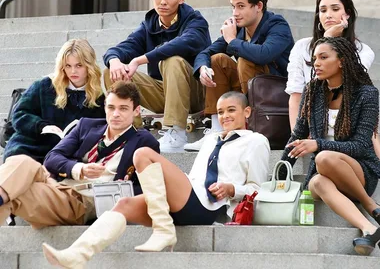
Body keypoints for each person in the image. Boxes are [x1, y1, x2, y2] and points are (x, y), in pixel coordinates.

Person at [42, 91, 270, 268]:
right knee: (123, 205)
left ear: (247, 112)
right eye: (220, 112)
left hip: (209, 204)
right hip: (186, 195)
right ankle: (77, 256)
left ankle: (164, 230)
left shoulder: (256, 141)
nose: (224, 116)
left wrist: (232, 189)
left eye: (231, 110)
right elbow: (195, 176)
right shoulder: (210, 140)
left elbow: (258, 189)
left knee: (142, 154)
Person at [0, 81, 159, 228]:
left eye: (123, 108)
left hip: (82, 202)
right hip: (58, 185)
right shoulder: (86, 126)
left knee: (13, 196)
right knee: (21, 161)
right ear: (104, 107)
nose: (115, 114)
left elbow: (148, 188)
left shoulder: (144, 141)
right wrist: (79, 168)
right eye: (111, 107)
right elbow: (51, 158)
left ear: (136, 111)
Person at [281, 37, 380, 256]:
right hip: (323, 172)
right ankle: (370, 227)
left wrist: (318, 144)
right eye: (315, 58)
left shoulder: (367, 94)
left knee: (324, 157)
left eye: (324, 57)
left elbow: (362, 146)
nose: (316, 63)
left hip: (358, 171)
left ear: (342, 61)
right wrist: (279, 173)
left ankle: (369, 203)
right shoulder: (312, 91)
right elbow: (297, 136)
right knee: (316, 180)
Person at [103, 0, 211, 152]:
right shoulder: (149, 25)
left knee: (172, 60)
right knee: (112, 72)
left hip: (196, 92)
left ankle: (176, 132)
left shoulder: (195, 21)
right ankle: (130, 132)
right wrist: (114, 60)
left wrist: (140, 60)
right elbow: (123, 47)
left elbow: (180, 44)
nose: (163, 1)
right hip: (164, 93)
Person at [184, 0, 294, 151]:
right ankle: (216, 130)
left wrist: (232, 40)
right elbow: (206, 52)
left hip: (273, 96)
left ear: (258, 6)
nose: (235, 13)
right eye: (233, 6)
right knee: (217, 60)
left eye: (241, 6)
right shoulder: (239, 29)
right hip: (247, 91)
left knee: (245, 60)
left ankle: (248, 125)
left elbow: (264, 55)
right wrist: (203, 68)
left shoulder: (277, 25)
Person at [3, 39, 106, 164]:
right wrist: (42, 126)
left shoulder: (98, 98)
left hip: (65, 154)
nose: (73, 71)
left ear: (89, 66)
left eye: (79, 65)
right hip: (31, 146)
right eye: (68, 66)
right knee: (18, 163)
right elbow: (19, 114)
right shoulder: (44, 86)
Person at [286, 0, 375, 130]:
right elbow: (296, 95)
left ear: (348, 14)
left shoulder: (362, 51)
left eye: (335, 9)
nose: (328, 15)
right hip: (310, 126)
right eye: (323, 10)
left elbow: (347, 83)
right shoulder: (301, 47)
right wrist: (296, 135)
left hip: (347, 126)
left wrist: (328, 39)